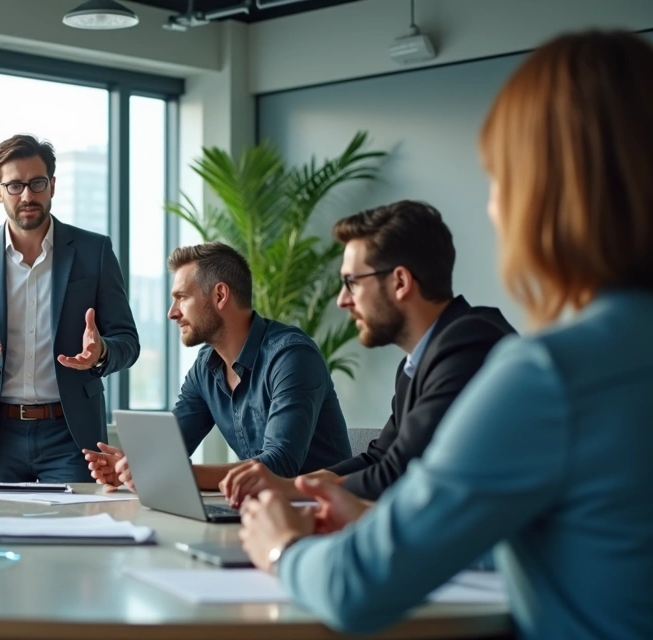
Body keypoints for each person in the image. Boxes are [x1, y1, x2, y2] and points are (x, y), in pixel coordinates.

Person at [238, 30, 653, 639]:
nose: (493, 208)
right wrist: (384, 521)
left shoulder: (546, 374)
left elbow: (356, 589)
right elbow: (592, 537)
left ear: (546, 195)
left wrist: (281, 548)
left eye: (500, 181)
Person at [220, 201, 516, 506]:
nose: (342, 300)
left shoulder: (470, 345)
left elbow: (398, 473)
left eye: (352, 282)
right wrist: (294, 484)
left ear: (400, 282)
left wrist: (298, 491)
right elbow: (380, 456)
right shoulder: (416, 364)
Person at [0, 134, 140, 483]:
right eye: (14, 185)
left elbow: (128, 343)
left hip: (71, 437)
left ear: (52, 186)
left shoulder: (94, 251)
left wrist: (101, 352)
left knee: (73, 537)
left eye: (37, 183)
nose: (27, 195)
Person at [87, 243, 351, 491]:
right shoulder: (206, 367)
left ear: (220, 295)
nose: (172, 312)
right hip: (259, 509)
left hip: (322, 513)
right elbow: (173, 448)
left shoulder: (291, 356)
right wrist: (133, 467)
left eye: (182, 297)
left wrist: (175, 473)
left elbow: (281, 464)